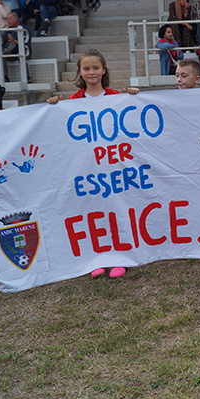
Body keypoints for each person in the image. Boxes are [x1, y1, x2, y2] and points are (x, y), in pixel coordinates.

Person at [47, 50, 140, 278]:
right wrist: (52, 106)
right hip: (87, 170)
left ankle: (120, 256)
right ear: (80, 72)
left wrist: (134, 97)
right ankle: (95, 258)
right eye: (86, 68)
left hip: (113, 167)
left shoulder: (116, 97)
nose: (91, 72)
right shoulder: (71, 102)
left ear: (104, 70)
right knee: (91, 211)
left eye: (96, 68)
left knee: (117, 211)